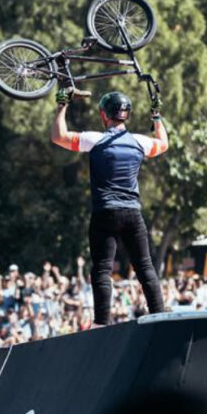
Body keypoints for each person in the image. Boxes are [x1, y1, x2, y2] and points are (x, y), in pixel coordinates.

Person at [50, 88, 168, 325]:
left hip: (105, 212)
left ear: (104, 115)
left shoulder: (95, 140)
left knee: (102, 269)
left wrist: (62, 105)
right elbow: (163, 143)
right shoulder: (140, 142)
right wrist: (156, 116)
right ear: (127, 115)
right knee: (145, 267)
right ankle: (160, 315)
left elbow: (58, 136)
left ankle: (101, 323)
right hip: (132, 213)